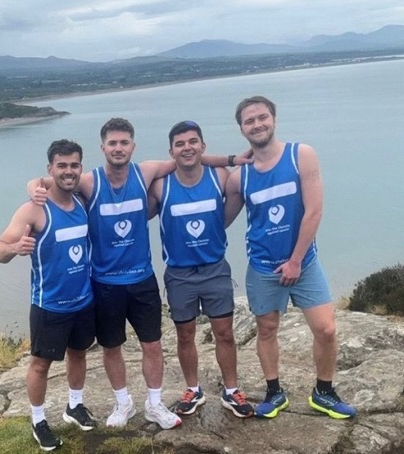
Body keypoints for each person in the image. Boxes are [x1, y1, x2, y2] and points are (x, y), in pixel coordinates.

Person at [29, 118, 248, 430]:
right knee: (111, 347)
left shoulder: (145, 172)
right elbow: (49, 180)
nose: (119, 148)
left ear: (133, 146)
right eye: (113, 143)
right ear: (103, 147)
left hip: (142, 279)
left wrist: (230, 161)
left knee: (152, 345)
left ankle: (155, 404)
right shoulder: (89, 182)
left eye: (124, 142)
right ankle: (123, 402)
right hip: (104, 283)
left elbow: (187, 158)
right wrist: (34, 187)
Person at [224, 96, 357, 419]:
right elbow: (222, 221)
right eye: (249, 121)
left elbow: (314, 211)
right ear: (241, 129)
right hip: (262, 265)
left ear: (273, 118)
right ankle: (274, 392)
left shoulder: (302, 155)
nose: (257, 124)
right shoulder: (239, 177)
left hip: (304, 262)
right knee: (267, 329)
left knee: (325, 329)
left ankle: (323, 392)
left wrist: (296, 259)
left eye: (262, 117)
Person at [0, 139, 97, 451]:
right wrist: (14, 248)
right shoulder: (33, 209)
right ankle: (38, 420)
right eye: (61, 166)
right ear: (50, 169)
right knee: (40, 365)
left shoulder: (80, 199)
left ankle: (74, 406)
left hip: (83, 300)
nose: (69, 171)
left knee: (78, 353)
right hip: (49, 304)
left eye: (74, 165)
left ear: (80, 167)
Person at [147, 120, 255, 418]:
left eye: (193, 141)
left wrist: (235, 160)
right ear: (171, 151)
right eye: (180, 144)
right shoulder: (160, 184)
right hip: (179, 274)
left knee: (225, 333)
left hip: (215, 269)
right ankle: (192, 389)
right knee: (185, 335)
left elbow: (238, 199)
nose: (187, 147)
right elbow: (134, 205)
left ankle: (232, 391)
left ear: (203, 146)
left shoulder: (219, 176)